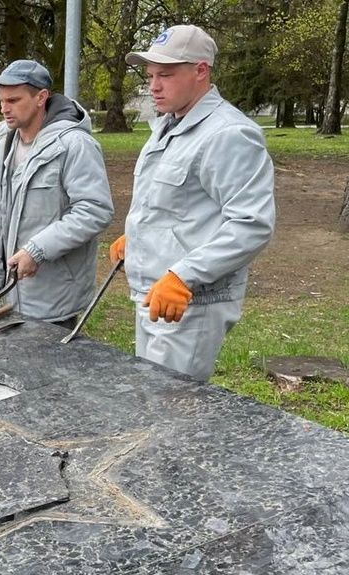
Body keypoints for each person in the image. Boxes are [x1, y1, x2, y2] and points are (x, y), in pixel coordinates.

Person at [111, 25, 274, 381]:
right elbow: (175, 203)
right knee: (154, 400)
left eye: (165, 75)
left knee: (172, 415)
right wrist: (138, 238)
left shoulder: (229, 134)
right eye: (151, 75)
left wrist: (184, 276)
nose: (153, 86)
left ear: (201, 71)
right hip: (156, 295)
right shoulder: (169, 125)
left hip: (192, 303)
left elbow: (251, 224)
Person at [0, 60, 114, 326]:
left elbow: (94, 210)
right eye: (1, 100)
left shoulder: (74, 144)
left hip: (52, 296)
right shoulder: (2, 137)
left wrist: (38, 250)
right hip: (5, 290)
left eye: (13, 100)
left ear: (41, 97)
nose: (3, 108)